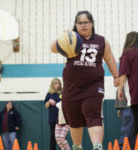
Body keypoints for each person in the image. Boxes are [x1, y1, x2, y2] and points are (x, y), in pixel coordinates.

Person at [51, 10, 120, 150]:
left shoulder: (101, 40)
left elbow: (110, 59)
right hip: (72, 87)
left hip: (94, 85)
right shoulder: (71, 39)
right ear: (75, 25)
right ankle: (77, 147)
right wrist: (61, 37)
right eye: (80, 23)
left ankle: (97, 146)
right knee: (74, 120)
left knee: (93, 113)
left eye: (86, 22)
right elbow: (53, 49)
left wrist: (116, 76)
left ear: (92, 23)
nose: (83, 25)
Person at [44, 78, 62, 150]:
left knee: (62, 137)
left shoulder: (62, 93)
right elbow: (46, 105)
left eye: (58, 84)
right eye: (56, 83)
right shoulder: (49, 94)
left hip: (61, 118)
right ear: (52, 84)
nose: (57, 85)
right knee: (53, 136)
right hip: (52, 118)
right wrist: (49, 101)